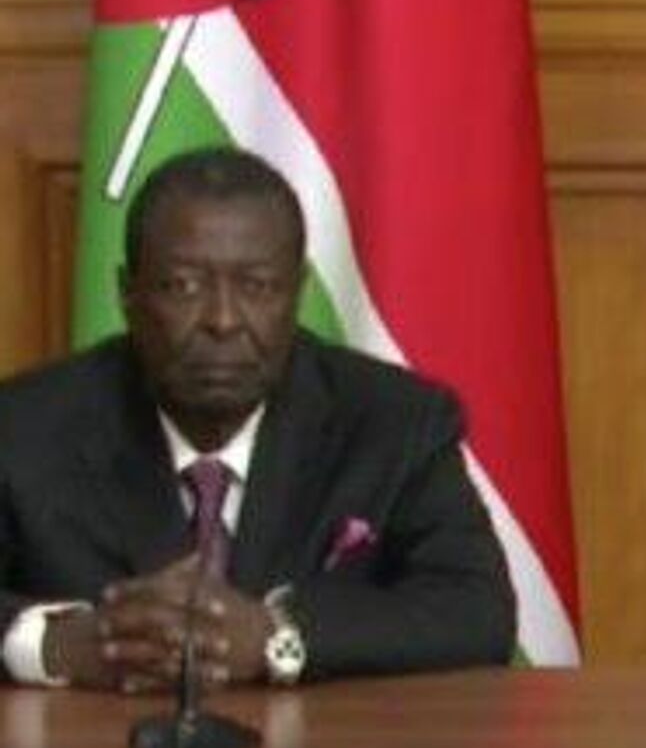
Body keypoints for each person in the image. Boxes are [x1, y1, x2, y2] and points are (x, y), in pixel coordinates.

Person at [0, 147, 515, 691]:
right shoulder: (25, 427)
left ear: (297, 293)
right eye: (183, 286)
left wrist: (277, 637)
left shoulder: (394, 421)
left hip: (325, 746)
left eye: (258, 287)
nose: (223, 320)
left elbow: (476, 613)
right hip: (95, 743)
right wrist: (55, 645)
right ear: (128, 295)